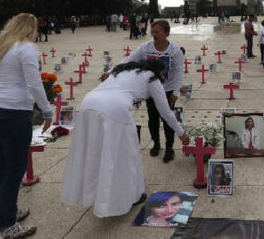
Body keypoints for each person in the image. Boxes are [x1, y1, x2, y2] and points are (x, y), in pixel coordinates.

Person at [61, 60, 189, 218]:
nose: (162, 77)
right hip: (115, 109)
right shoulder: (152, 78)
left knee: (95, 151)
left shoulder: (122, 71)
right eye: (162, 74)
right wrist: (181, 132)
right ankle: (130, 196)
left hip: (88, 104)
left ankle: (97, 194)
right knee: (127, 155)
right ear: (158, 71)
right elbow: (165, 111)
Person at [0, 13, 53, 239]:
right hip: (13, 112)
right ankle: (6, 225)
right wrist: (47, 110)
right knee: (15, 169)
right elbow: (34, 81)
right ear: (30, 29)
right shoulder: (26, 47)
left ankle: (7, 211)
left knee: (3, 165)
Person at [119, 20, 184, 163]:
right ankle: (156, 143)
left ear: (167, 33)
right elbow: (129, 60)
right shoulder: (145, 47)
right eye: (152, 31)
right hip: (150, 90)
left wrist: (175, 92)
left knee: (168, 119)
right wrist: (112, 71)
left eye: (158, 31)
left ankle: (169, 148)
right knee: (152, 119)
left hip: (167, 90)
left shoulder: (175, 50)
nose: (154, 34)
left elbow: (179, 72)